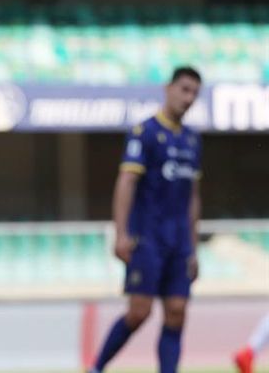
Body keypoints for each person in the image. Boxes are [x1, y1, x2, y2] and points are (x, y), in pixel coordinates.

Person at [89, 66, 203, 373]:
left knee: (177, 311)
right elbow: (126, 182)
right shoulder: (145, 133)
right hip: (148, 238)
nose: (188, 98)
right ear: (168, 88)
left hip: (179, 241)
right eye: (184, 89)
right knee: (139, 312)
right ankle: (97, 367)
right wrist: (121, 233)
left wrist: (193, 248)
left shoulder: (192, 140)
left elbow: (193, 197)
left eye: (194, 93)